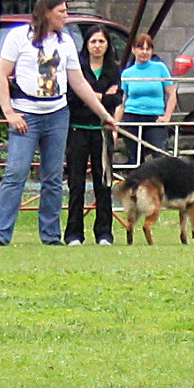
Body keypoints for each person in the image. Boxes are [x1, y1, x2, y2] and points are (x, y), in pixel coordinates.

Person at [0, 0, 117, 246]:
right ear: (47, 12)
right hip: (26, 114)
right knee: (16, 173)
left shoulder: (65, 41)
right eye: (61, 12)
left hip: (57, 114)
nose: (65, 17)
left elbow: (78, 82)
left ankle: (51, 235)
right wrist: (9, 112)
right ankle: (0, 234)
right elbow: (0, 75)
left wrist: (104, 115)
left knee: (53, 177)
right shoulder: (18, 37)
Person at [64, 25, 122, 246]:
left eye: (102, 42)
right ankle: (73, 234)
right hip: (77, 130)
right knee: (76, 184)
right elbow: (74, 97)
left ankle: (104, 233)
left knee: (104, 183)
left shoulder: (114, 70)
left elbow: (115, 100)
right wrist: (99, 96)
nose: (97, 46)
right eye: (93, 42)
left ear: (108, 45)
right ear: (86, 45)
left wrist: (93, 97)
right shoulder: (77, 69)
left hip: (102, 132)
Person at [114, 34, 176, 165]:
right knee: (135, 160)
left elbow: (171, 94)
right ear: (133, 50)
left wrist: (167, 116)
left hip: (155, 118)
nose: (144, 52)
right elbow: (122, 102)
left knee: (160, 156)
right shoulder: (127, 73)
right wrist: (115, 126)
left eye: (148, 49)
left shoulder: (160, 68)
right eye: (141, 48)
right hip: (132, 117)